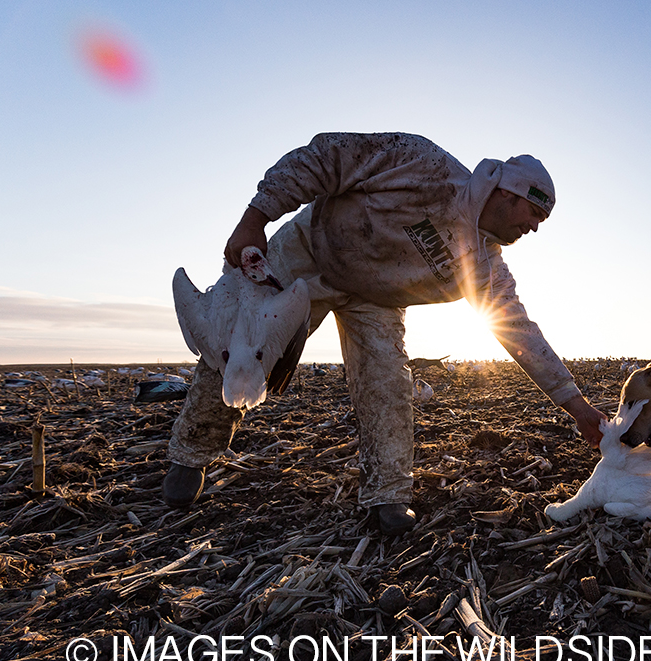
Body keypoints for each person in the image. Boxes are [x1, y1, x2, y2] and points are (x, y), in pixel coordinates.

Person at [163, 132, 606, 534]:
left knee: (389, 386)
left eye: (541, 223)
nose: (532, 228)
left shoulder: (486, 267)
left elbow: (519, 332)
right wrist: (255, 219)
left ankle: (388, 497)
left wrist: (578, 407)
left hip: (375, 301)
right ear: (508, 193)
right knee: (238, 351)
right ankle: (190, 457)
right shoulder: (422, 165)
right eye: (533, 213)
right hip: (309, 254)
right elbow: (324, 157)